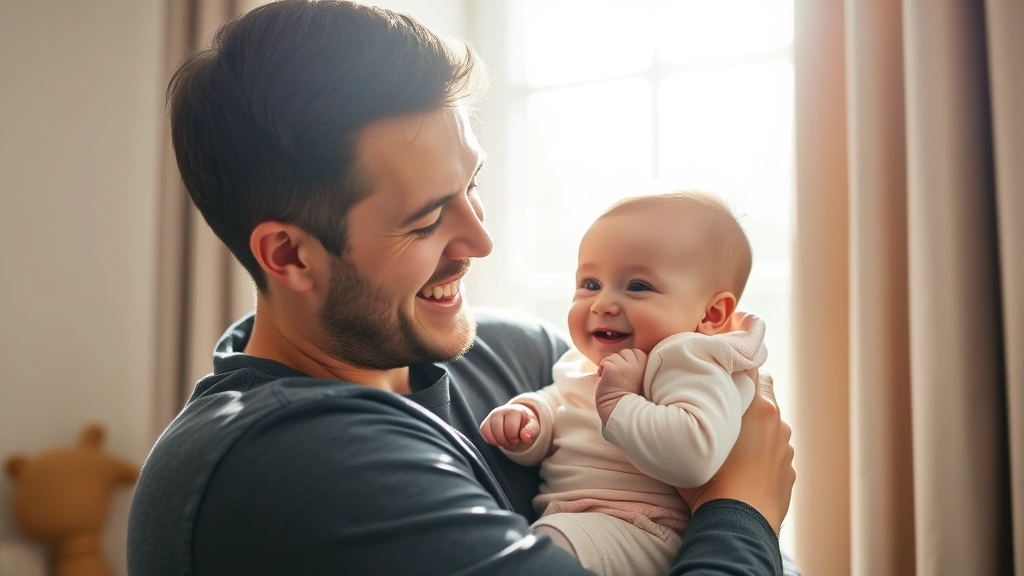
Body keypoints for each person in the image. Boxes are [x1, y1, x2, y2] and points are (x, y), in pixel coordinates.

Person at [126, 1, 796, 575]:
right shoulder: (295, 470)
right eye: (424, 221)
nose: (480, 241)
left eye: (471, 186)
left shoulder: (518, 356)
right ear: (289, 255)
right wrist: (744, 506)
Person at [480, 192, 769, 575]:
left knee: (537, 553)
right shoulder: (581, 362)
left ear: (712, 314)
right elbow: (565, 403)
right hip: (590, 523)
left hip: (646, 529)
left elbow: (695, 455)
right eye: (590, 283)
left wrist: (619, 400)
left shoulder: (688, 360)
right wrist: (531, 418)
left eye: (636, 286)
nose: (602, 304)